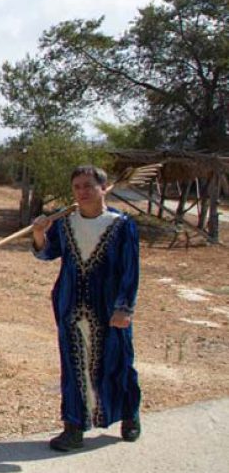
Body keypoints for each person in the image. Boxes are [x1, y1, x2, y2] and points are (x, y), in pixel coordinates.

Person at [32, 165, 141, 451]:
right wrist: (40, 232)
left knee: (117, 361)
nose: (82, 192)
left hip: (108, 308)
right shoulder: (66, 224)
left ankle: (129, 415)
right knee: (72, 366)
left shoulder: (122, 225)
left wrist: (124, 308)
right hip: (70, 305)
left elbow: (131, 271)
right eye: (77, 187)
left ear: (103, 188)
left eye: (88, 186)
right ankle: (74, 427)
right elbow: (46, 253)